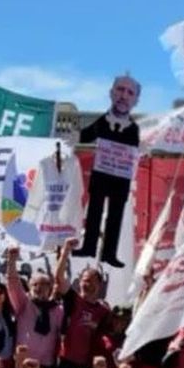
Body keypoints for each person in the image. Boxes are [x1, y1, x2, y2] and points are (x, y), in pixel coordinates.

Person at [77, 74, 142, 268]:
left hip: (120, 181)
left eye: (130, 93)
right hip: (101, 176)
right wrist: (65, 138)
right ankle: (88, 246)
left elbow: (139, 149)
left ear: (135, 100)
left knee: (116, 215)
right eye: (120, 90)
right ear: (111, 93)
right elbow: (84, 136)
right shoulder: (102, 122)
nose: (124, 96)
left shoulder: (134, 129)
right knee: (95, 211)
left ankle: (109, 253)